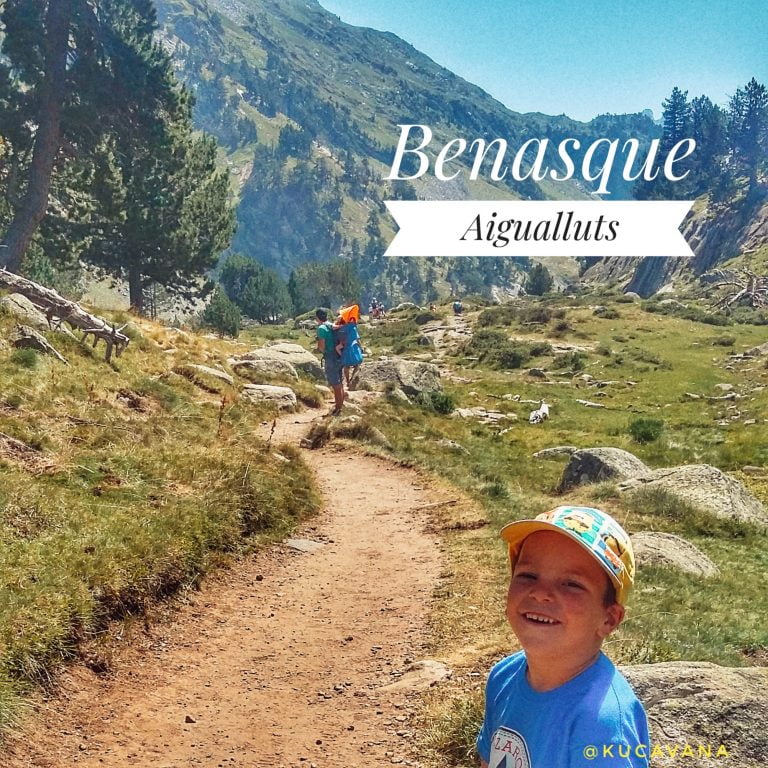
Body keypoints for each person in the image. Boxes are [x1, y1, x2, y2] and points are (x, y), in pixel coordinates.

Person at [477, 505, 649, 768]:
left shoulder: (602, 723)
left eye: (571, 584)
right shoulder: (503, 677)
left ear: (609, 619)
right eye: (528, 575)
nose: (540, 592)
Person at [315, 307, 344, 415]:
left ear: (317, 318)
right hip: (339, 355)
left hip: (330, 356)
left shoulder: (321, 328)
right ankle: (341, 405)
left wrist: (321, 350)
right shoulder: (332, 325)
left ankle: (338, 409)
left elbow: (321, 346)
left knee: (335, 384)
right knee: (340, 382)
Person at [333, 304, 364, 387]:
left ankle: (347, 381)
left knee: (346, 366)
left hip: (345, 348)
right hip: (353, 348)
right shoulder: (352, 327)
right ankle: (352, 379)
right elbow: (357, 339)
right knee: (357, 364)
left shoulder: (341, 327)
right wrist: (361, 348)